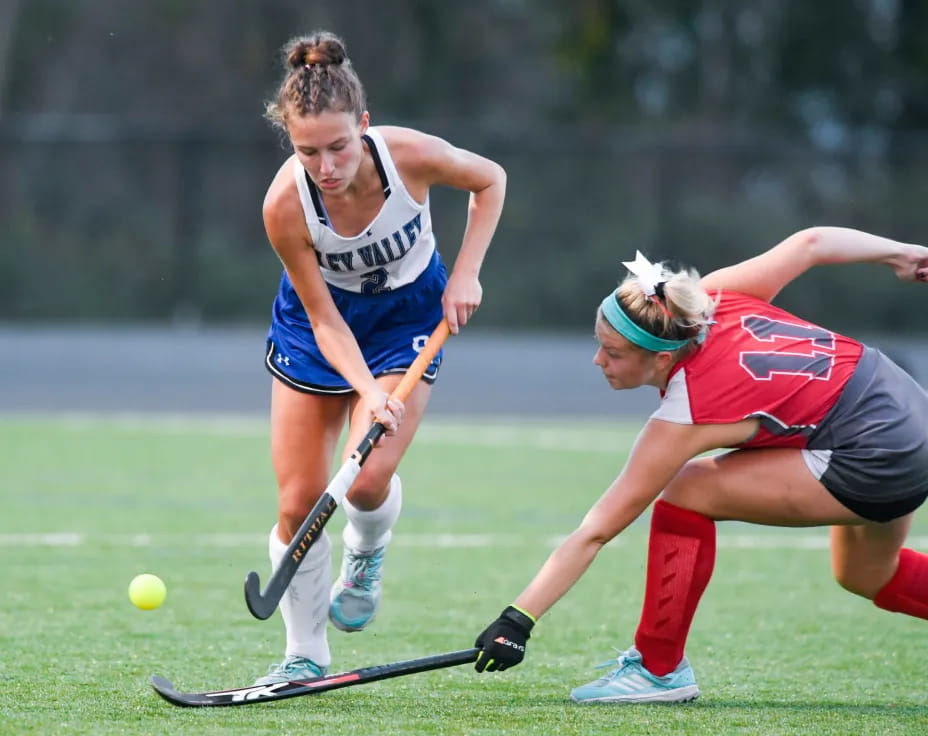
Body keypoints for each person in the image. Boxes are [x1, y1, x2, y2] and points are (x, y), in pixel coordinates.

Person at [473, 227, 928, 703]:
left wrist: (517, 618)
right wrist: (901, 254)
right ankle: (659, 668)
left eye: (613, 353)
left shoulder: (687, 412)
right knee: (866, 575)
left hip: (878, 451)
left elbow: (595, 531)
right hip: (902, 405)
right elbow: (810, 243)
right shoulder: (707, 298)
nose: (597, 361)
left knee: (687, 489)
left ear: (662, 358)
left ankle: (658, 669)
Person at [255, 30, 506, 685]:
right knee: (299, 503)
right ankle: (304, 654)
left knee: (363, 480)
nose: (327, 167)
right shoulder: (285, 205)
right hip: (321, 332)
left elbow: (491, 181)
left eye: (339, 147)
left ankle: (365, 553)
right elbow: (322, 317)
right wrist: (368, 392)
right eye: (308, 151)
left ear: (363, 127)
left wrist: (467, 274)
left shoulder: (410, 157)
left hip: (407, 321)